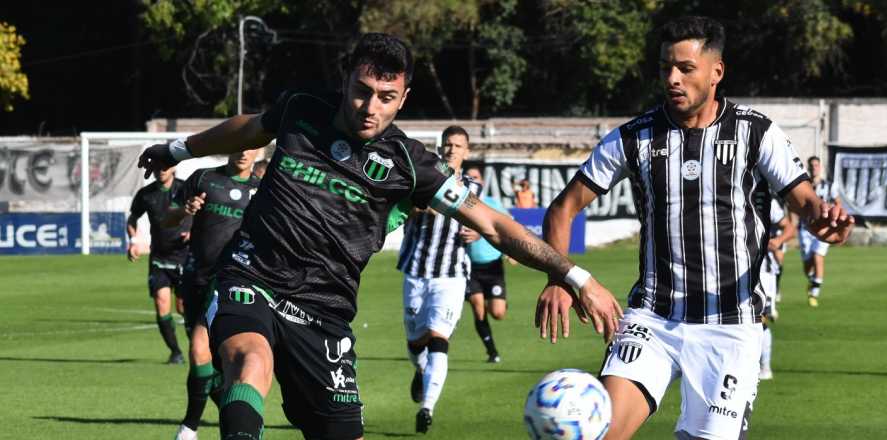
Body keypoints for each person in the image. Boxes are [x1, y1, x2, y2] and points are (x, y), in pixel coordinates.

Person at [137, 33, 620, 440]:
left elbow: (494, 223)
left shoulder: (412, 164)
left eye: (386, 97)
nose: (370, 107)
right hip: (253, 274)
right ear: (345, 79)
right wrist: (180, 149)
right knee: (250, 363)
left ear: (403, 98)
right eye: (361, 91)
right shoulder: (302, 108)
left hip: (324, 309)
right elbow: (249, 131)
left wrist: (574, 275)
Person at [536, 16, 855, 440]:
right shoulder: (635, 138)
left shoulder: (754, 132)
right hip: (652, 318)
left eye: (685, 69)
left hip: (730, 325)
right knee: (598, 431)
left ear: (716, 72)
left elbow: (805, 201)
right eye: (666, 67)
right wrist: (559, 277)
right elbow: (563, 208)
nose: (672, 78)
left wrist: (825, 221)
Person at [163, 150, 261, 440]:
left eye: (250, 146)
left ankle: (189, 428)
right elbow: (168, 219)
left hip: (233, 280)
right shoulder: (203, 178)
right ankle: (237, 422)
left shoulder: (263, 190)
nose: (243, 152)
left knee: (199, 349)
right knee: (211, 366)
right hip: (195, 278)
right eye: (239, 144)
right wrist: (185, 211)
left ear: (259, 150)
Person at [396, 125, 480, 432]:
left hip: (451, 276)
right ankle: (420, 370)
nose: (451, 150)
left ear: (466, 152)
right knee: (415, 341)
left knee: (438, 337)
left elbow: (481, 220)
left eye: (458, 146)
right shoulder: (420, 180)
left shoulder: (473, 189)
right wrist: (421, 209)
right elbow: (406, 209)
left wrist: (477, 231)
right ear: (440, 147)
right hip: (416, 270)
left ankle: (427, 408)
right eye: (447, 144)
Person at [127, 167, 191, 364]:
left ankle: (201, 349)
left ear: (173, 168)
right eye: (158, 166)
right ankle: (175, 352)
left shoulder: (186, 189)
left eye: (165, 165)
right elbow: (133, 218)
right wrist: (133, 241)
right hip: (159, 258)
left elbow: (204, 212)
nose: (161, 170)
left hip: (185, 257)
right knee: (161, 303)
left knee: (183, 308)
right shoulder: (146, 194)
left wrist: (193, 232)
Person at [460, 166, 511, 363]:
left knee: (497, 313)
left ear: (482, 181)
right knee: (477, 307)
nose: (472, 180)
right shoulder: (458, 203)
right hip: (469, 267)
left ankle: (501, 301)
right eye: (469, 177)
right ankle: (492, 351)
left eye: (476, 177)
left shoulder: (492, 204)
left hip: (493, 267)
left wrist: (511, 252)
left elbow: (507, 228)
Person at [758, 197, 795, 381]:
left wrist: (777, 240)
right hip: (736, 271)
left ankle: (765, 367)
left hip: (764, 271)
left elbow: (790, 228)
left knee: (760, 320)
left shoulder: (767, 203)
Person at [798, 156, 842, 307]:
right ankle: (812, 281)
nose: (814, 168)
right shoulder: (803, 186)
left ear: (820, 167)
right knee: (807, 264)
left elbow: (838, 204)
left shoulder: (829, 186)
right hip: (805, 228)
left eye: (816, 165)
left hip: (824, 229)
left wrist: (835, 221)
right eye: (811, 166)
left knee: (818, 256)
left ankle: (814, 294)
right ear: (808, 168)